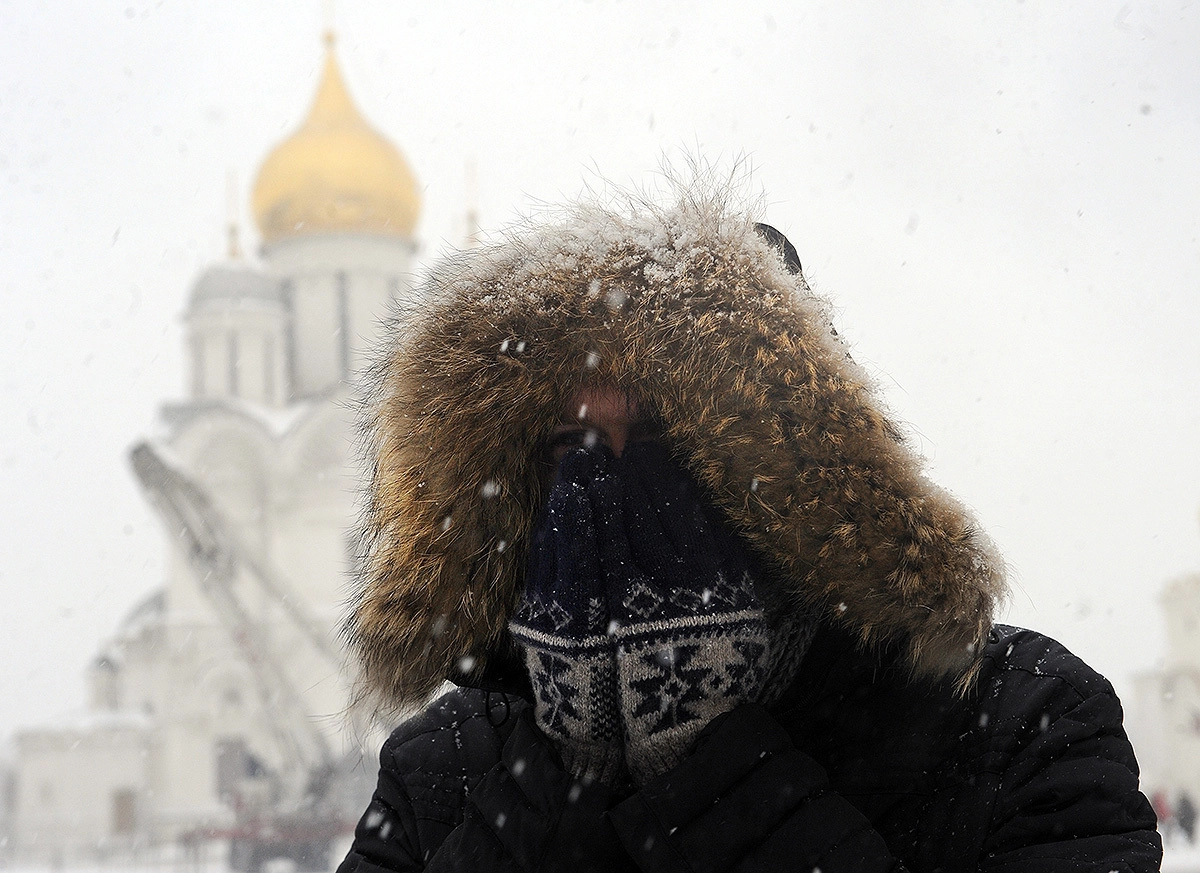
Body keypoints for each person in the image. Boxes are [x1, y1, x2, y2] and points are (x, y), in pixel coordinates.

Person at [339, 185, 1161, 872]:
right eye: (569, 447)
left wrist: (711, 771)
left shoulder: (1016, 720)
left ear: (789, 464)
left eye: (662, 438)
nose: (610, 489)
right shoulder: (443, 768)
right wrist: (558, 785)